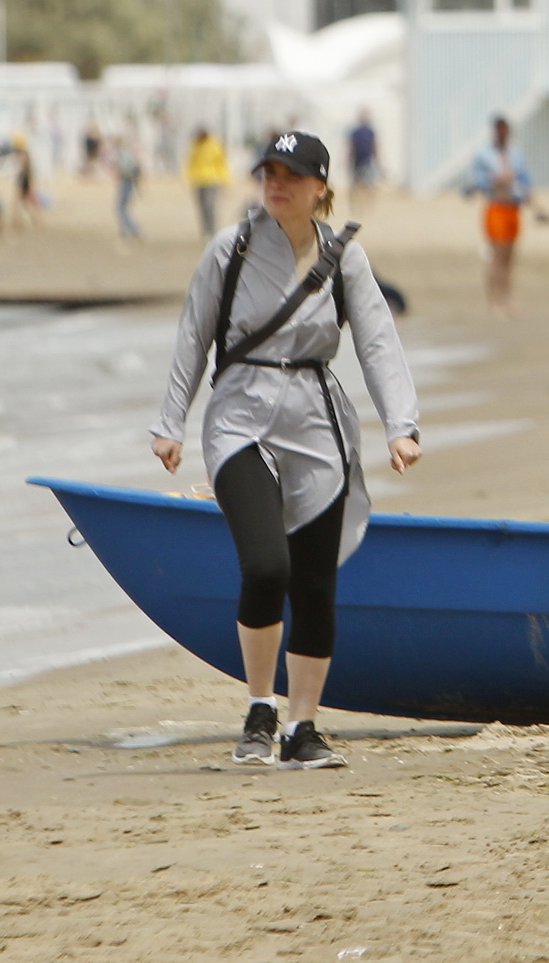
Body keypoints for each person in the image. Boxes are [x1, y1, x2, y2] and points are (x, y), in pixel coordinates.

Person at [152, 131, 421, 771]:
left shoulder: (345, 256)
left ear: (321, 188)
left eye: (293, 175)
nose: (277, 184)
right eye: (269, 172)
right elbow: (194, 334)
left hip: (318, 424)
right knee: (267, 567)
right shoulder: (231, 248)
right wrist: (170, 422)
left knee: (315, 585)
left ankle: (303, 727)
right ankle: (259, 709)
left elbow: (377, 342)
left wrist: (400, 425)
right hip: (238, 417)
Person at [462, 116, 531, 317]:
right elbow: (473, 180)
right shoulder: (484, 154)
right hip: (496, 205)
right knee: (497, 255)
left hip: (513, 206)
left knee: (510, 256)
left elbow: (524, 178)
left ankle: (508, 298)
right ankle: (494, 301)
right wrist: (494, 180)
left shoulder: (515, 153)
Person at [187, 127, 231, 240]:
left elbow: (222, 163)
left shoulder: (215, 146)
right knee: (202, 206)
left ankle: (212, 230)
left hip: (213, 179)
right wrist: (190, 176)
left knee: (210, 205)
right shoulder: (196, 146)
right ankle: (205, 230)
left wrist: (224, 179)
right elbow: (191, 162)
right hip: (199, 180)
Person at [348, 110, 381, 209]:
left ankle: (369, 205)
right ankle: (356, 205)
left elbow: (374, 146)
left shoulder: (370, 132)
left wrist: (377, 160)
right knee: (355, 185)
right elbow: (351, 146)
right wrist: (348, 160)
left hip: (367, 160)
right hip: (357, 160)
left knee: (369, 184)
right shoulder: (355, 132)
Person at [114, 135, 144, 242]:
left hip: (126, 182)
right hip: (128, 183)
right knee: (122, 208)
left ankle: (131, 229)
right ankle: (127, 230)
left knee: (121, 208)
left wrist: (120, 174)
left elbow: (126, 170)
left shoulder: (124, 155)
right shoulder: (127, 154)